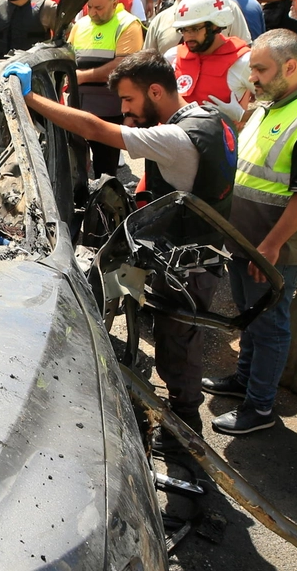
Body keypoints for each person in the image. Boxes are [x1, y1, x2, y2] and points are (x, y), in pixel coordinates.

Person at [19, 51, 234, 431]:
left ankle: (185, 435)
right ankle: (182, 420)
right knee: (181, 340)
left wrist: (32, 99)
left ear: (155, 91)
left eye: (129, 100)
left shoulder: (173, 136)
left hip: (185, 269)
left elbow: (97, 130)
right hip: (202, 257)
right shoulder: (208, 117)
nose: (124, 109)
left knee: (176, 350)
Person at [206, 30, 297, 434]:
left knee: (269, 325)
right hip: (249, 240)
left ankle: (260, 407)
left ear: (290, 66)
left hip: (273, 247)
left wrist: (271, 245)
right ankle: (245, 381)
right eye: (253, 69)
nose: (254, 79)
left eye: (261, 69)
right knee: (251, 318)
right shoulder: (272, 104)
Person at [68, 0, 145, 179]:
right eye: (90, 6)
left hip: (109, 111)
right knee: (75, 166)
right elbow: (67, 57)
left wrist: (82, 77)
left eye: (99, 8)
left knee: (105, 171)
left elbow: (123, 65)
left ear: (114, 2)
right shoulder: (81, 24)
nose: (93, 12)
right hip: (77, 107)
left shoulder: (128, 24)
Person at [165, 0, 254, 118]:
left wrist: (242, 115)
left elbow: (277, 107)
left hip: (223, 137)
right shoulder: (172, 57)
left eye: (195, 29)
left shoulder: (243, 61)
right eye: (184, 30)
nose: (188, 36)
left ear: (215, 26)